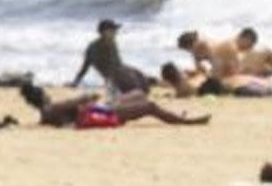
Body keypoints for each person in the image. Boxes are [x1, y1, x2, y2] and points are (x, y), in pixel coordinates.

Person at [19, 83, 209, 128]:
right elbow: (81, 100)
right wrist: (91, 96)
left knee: (138, 94)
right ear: (41, 95)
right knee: (149, 105)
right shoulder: (53, 108)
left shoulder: (46, 113)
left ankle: (175, 115)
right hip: (101, 113)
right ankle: (183, 120)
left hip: (98, 109)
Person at [69, 20, 150, 94]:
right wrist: (76, 82)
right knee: (136, 86)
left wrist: (129, 71)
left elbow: (118, 63)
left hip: (120, 71)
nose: (115, 32)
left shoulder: (112, 42)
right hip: (114, 77)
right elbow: (85, 66)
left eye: (115, 30)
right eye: (112, 30)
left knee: (141, 77)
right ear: (104, 32)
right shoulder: (93, 48)